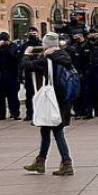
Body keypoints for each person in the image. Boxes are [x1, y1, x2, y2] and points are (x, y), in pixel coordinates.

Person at [22, 33, 75, 176]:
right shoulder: (64, 55)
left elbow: (26, 66)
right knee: (45, 130)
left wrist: (26, 54)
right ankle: (40, 161)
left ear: (46, 45)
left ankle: (67, 163)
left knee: (57, 131)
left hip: (52, 99)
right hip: (64, 98)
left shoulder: (48, 59)